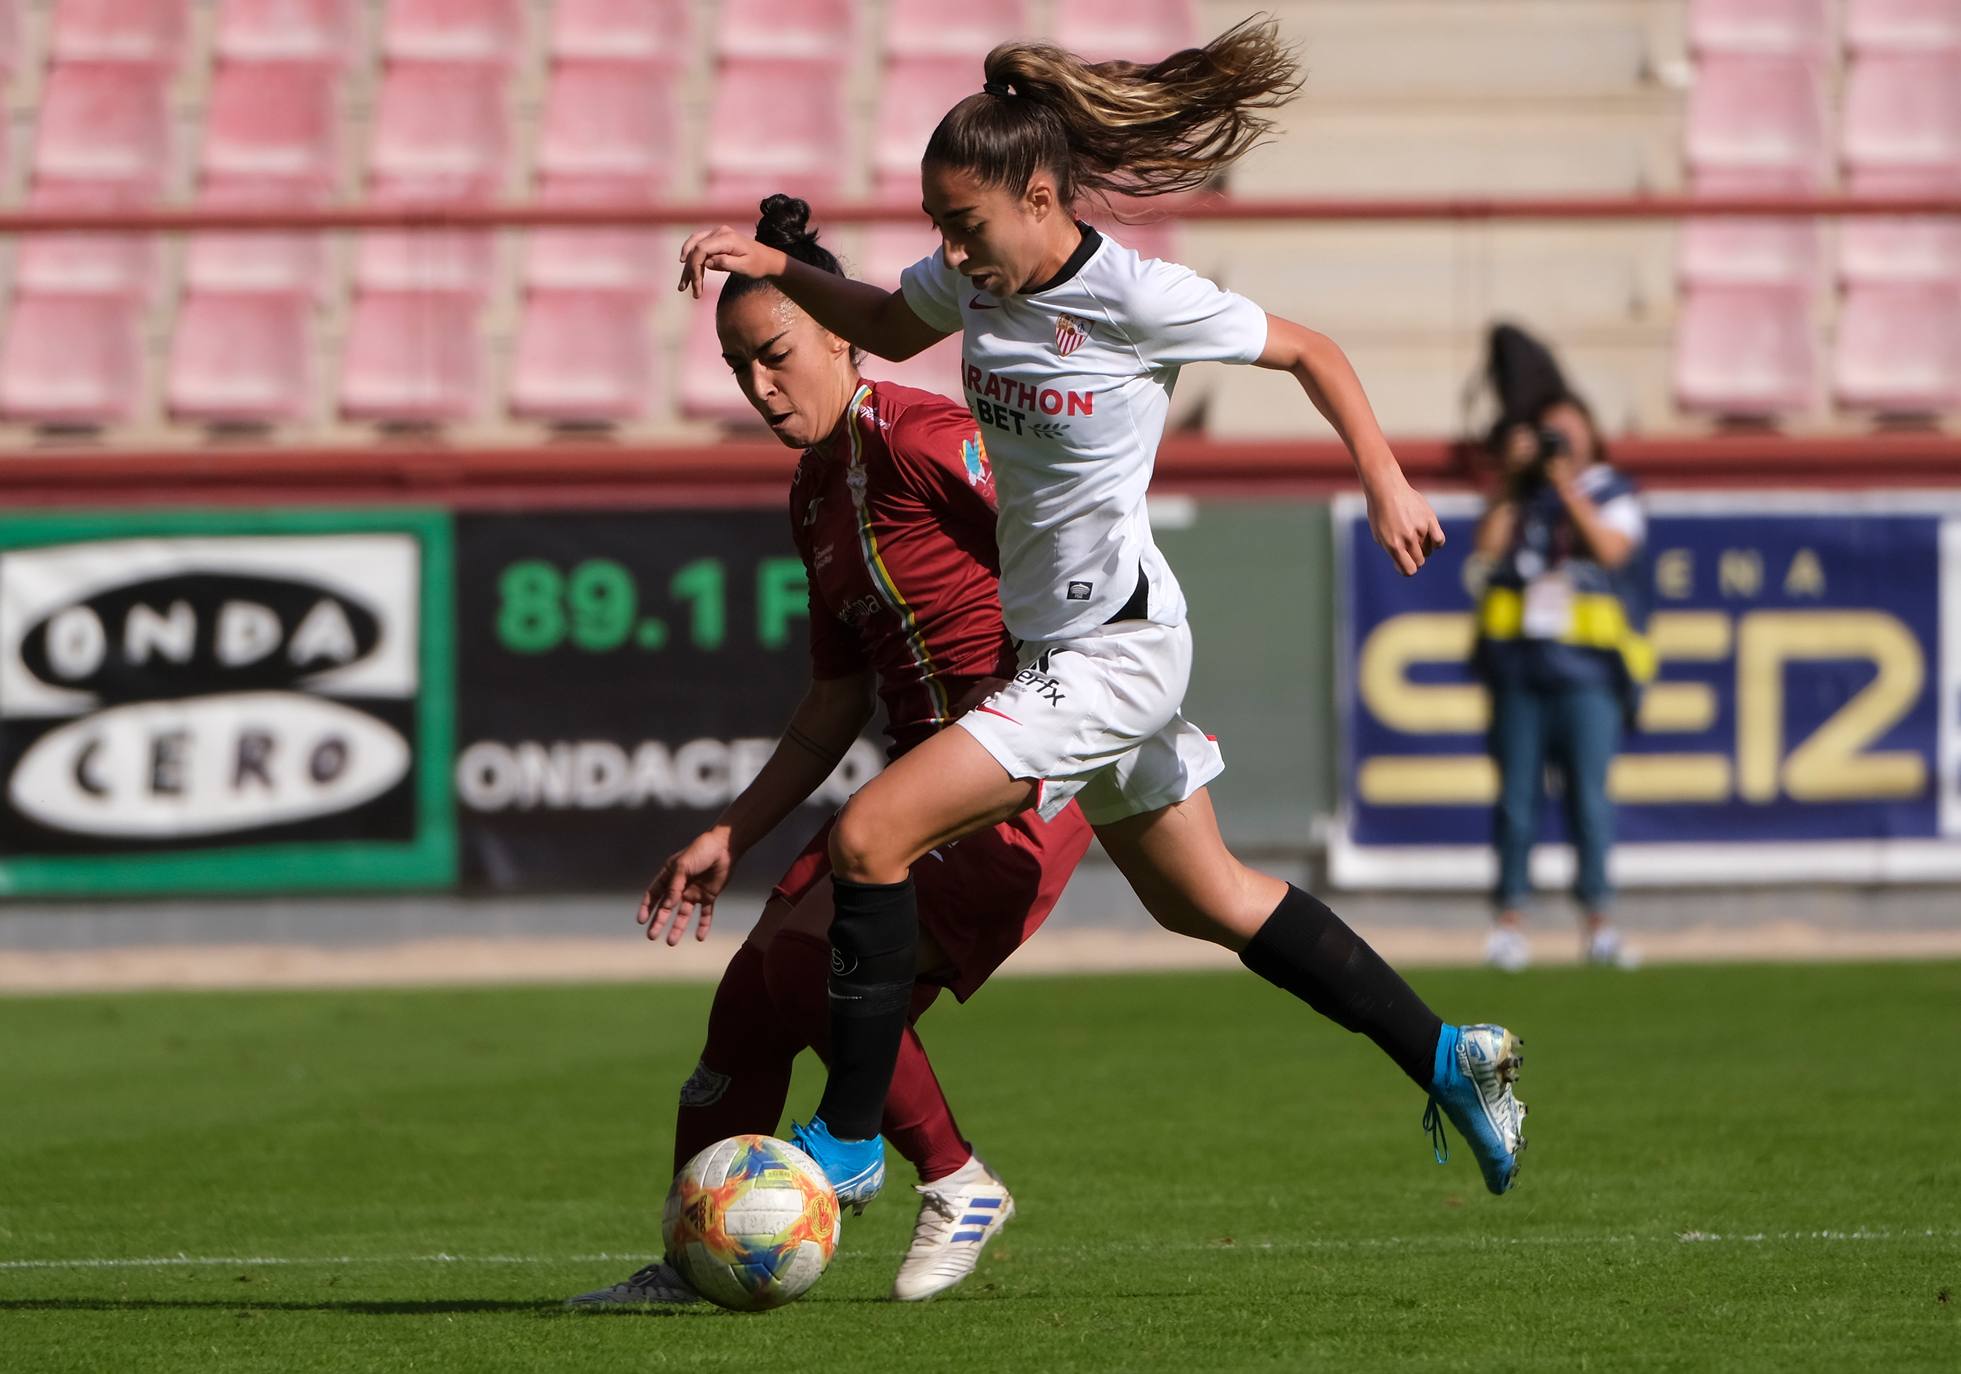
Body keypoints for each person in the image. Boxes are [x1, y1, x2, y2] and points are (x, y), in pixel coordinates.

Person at [667, 18, 1528, 1210]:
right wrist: (779, 274)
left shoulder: (1137, 295)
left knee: (869, 839)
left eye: (964, 226)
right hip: (1062, 649)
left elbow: (1310, 351)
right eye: (937, 228)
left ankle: (853, 1144)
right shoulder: (972, 284)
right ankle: (1449, 1057)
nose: (950, 253)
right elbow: (880, 322)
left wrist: (1381, 472)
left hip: (1113, 653)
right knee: (1208, 898)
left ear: (1036, 195)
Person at [570, 196, 1094, 1309]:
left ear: (839, 334)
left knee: (809, 972)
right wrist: (731, 831)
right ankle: (692, 1264)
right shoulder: (813, 491)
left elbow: (1075, 551)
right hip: (913, 795)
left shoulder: (925, 436)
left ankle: (956, 1179)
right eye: (738, 367)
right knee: (751, 1002)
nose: (760, 387)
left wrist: (1117, 695)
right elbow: (829, 705)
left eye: (775, 355)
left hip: (1012, 784)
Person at [1470, 382, 1651, 972]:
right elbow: (1487, 549)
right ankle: (1509, 922)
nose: (1557, 446)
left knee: (1589, 803)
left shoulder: (1610, 492)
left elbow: (1611, 549)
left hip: (1588, 674)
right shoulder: (1518, 499)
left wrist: (1564, 486)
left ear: (1591, 437)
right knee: (1517, 801)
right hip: (1520, 668)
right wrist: (1516, 480)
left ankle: (1599, 921)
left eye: (1567, 434)